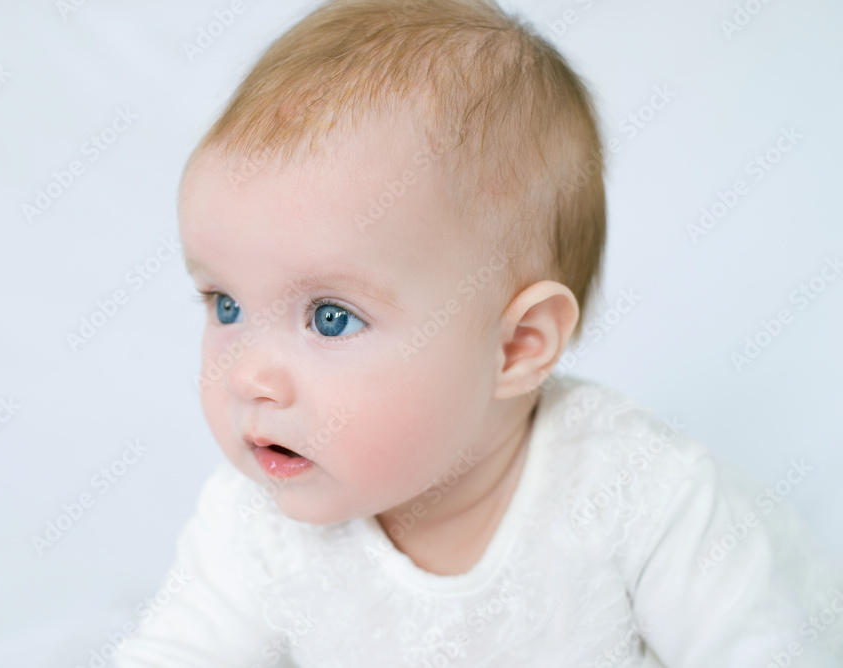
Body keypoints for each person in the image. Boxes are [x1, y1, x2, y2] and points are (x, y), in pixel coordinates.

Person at [116, 0, 843, 665]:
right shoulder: (253, 526)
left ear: (518, 346)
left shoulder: (639, 496)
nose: (247, 375)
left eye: (330, 317)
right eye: (225, 305)